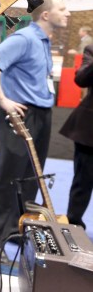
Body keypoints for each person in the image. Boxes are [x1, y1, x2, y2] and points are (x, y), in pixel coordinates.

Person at [0, 0, 70, 265]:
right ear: (45, 15)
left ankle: (17, 230)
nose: (67, 14)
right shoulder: (25, 38)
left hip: (42, 114)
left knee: (33, 177)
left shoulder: (44, 41)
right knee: (10, 177)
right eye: (62, 9)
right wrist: (3, 100)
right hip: (20, 114)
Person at [59, 43, 93, 229]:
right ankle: (73, 224)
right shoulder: (91, 49)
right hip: (89, 131)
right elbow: (81, 79)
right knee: (83, 180)